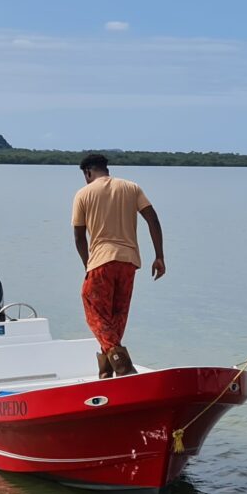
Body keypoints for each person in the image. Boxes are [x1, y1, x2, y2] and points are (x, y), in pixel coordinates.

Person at [72, 154, 165, 377]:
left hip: (101, 261)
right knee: (116, 317)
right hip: (128, 262)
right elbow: (152, 219)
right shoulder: (131, 188)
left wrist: (87, 265)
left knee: (94, 311)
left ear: (87, 172)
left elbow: (79, 236)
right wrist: (159, 256)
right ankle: (106, 372)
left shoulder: (83, 193)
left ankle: (124, 368)